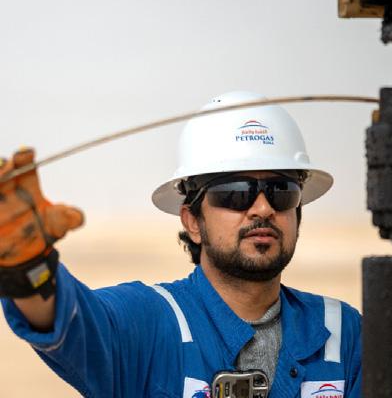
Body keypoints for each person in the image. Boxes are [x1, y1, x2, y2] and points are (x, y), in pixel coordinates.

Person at [0, 91, 361, 398]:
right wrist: (27, 265)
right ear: (192, 221)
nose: (263, 209)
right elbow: (69, 322)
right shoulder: (149, 323)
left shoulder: (343, 333)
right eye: (236, 193)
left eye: (282, 191)